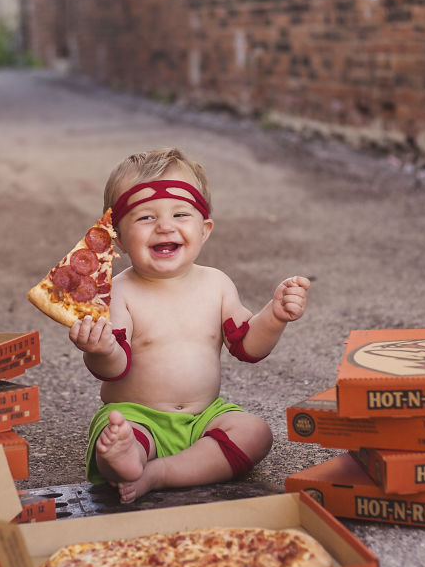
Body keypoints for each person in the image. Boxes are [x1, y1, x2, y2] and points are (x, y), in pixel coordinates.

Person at [69, 148, 310, 503]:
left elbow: (247, 346)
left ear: (204, 229)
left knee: (255, 432)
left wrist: (273, 316)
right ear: (118, 238)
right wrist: (100, 349)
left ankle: (159, 473)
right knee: (115, 437)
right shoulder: (119, 291)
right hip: (139, 418)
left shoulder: (217, 284)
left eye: (180, 213)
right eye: (145, 217)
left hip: (204, 418)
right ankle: (127, 459)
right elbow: (114, 368)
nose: (165, 226)